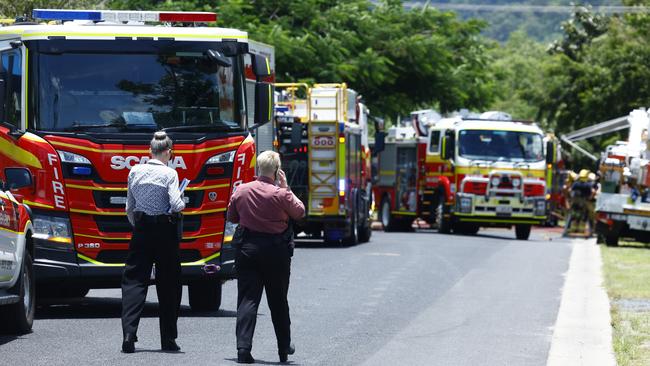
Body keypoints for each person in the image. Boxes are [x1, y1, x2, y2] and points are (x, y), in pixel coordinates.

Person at [227, 150, 305, 364]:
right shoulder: (281, 194)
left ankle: (243, 349)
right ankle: (283, 347)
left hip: (247, 249)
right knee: (278, 300)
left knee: (247, 299)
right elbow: (300, 212)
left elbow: (232, 216)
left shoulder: (241, 190)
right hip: (275, 251)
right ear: (277, 170)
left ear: (258, 168)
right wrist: (286, 186)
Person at [121, 131, 185, 353]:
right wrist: (182, 203)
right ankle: (168, 339)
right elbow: (176, 205)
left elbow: (129, 207)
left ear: (150, 150)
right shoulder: (170, 174)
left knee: (134, 281)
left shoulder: (134, 171)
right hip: (165, 231)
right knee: (169, 284)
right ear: (168, 152)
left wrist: (138, 225)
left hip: (141, 229)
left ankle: (129, 333)